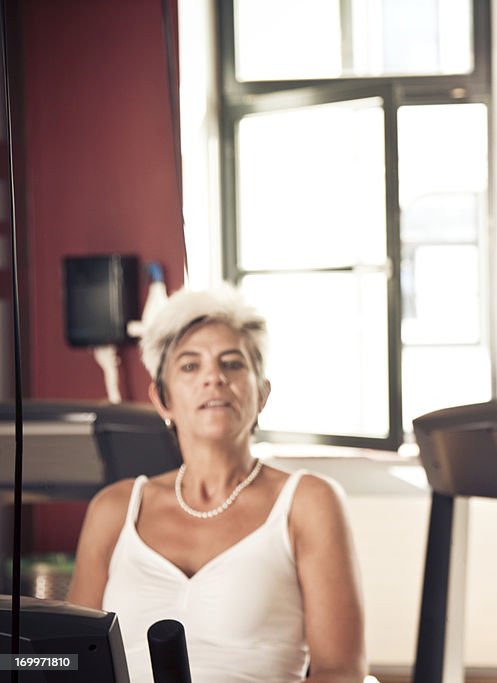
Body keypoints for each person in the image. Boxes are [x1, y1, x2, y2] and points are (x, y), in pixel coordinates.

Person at [68, 286, 367, 683]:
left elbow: (340, 671)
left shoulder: (308, 502)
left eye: (232, 364)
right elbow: (70, 658)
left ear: (262, 394)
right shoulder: (114, 508)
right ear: (162, 399)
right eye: (190, 366)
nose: (214, 378)